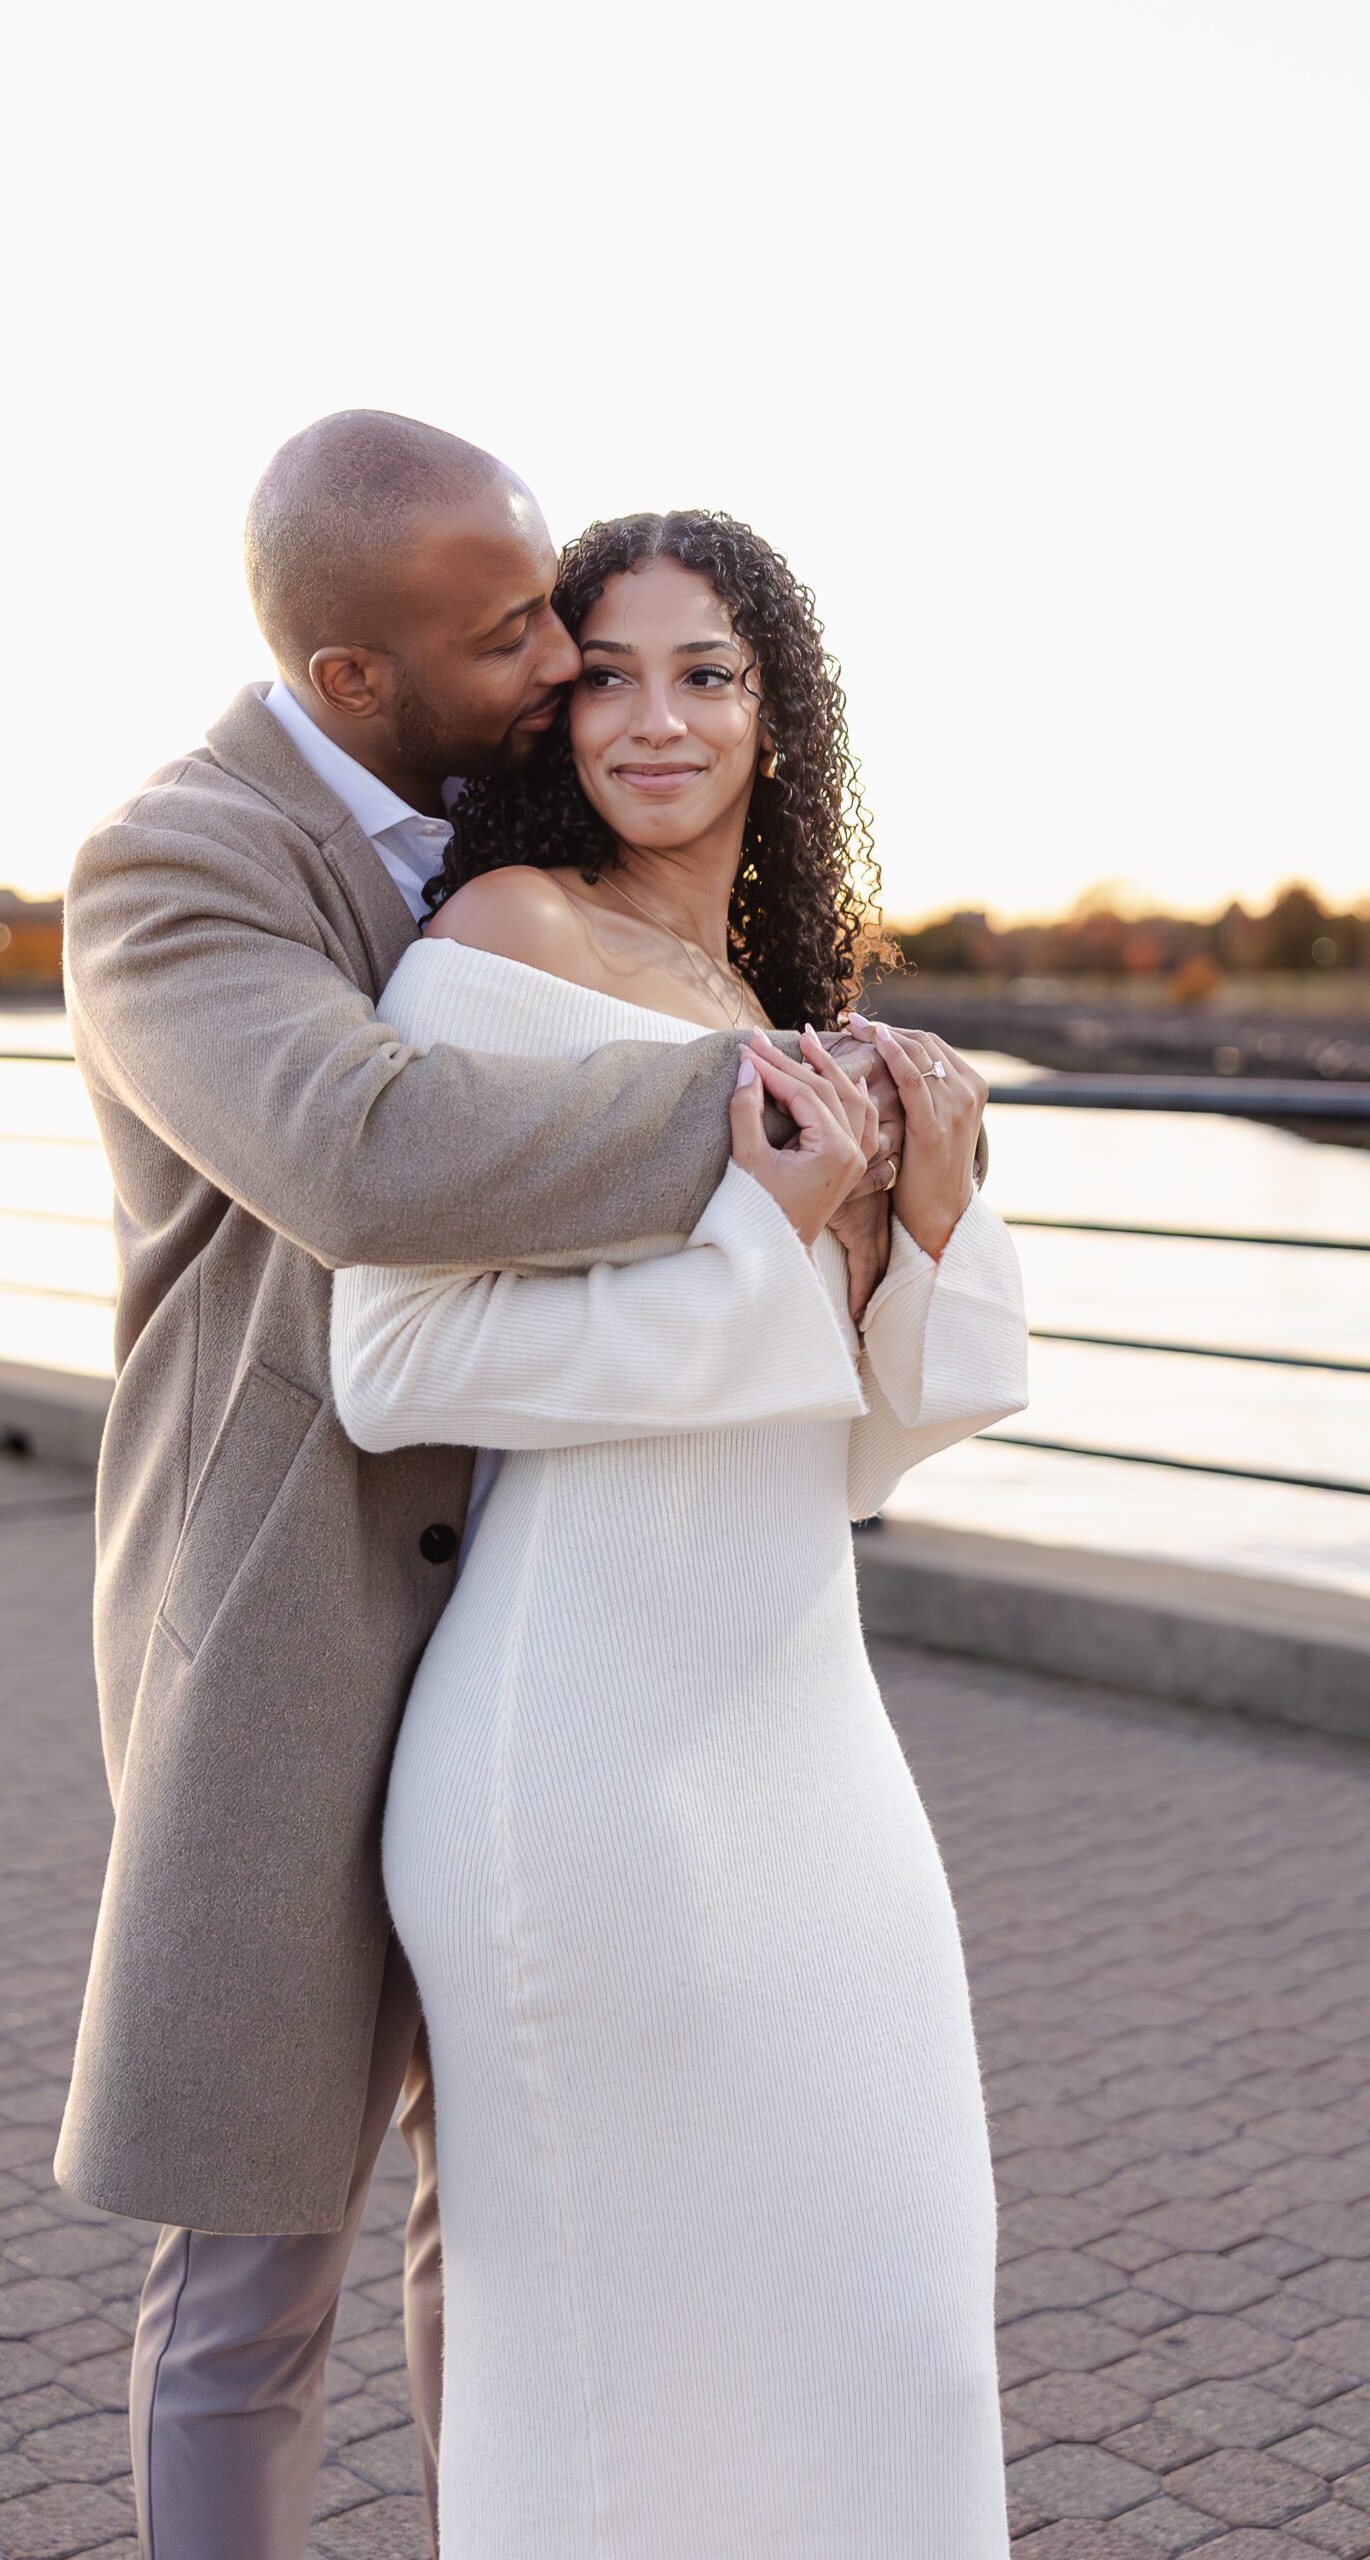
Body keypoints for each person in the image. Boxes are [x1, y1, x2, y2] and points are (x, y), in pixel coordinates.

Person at [55, 419, 903, 2560]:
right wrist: (762, 1097)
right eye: (511, 625)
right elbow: (363, 1155)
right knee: (255, 2264)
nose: (556, 656)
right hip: (290, 1629)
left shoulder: (493, 822)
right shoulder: (176, 866)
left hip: (539, 1633)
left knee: (514, 2217)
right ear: (354, 672)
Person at [329, 510, 1030, 2557]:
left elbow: (848, 1453)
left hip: (802, 1726)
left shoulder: (766, 993)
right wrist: (765, 1229)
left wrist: (929, 1213)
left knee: (891, 2318)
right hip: (584, 1748)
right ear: (553, 712)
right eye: (607, 672)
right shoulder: (489, 951)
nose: (655, 715)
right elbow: (393, 1361)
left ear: (774, 715)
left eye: (704, 671)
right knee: (626, 2364)